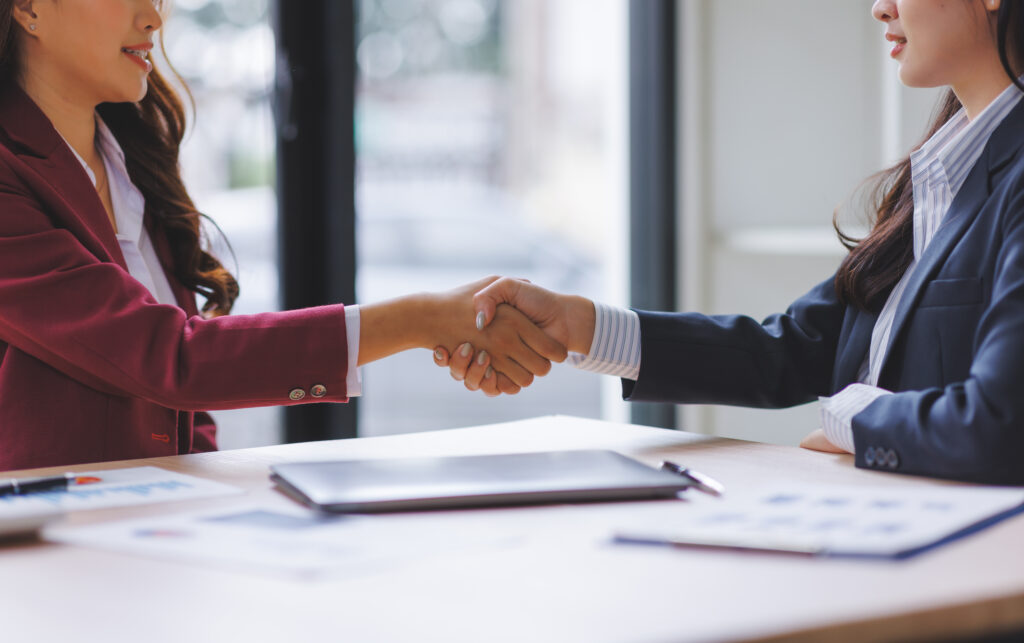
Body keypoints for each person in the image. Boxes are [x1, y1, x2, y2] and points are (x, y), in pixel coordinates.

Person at [439, 0, 1024, 485]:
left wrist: (857, 417)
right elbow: (791, 349)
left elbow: (1001, 423)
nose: (879, 7)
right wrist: (581, 326)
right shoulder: (946, 171)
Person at [0, 0, 566, 471]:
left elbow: (187, 413)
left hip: (151, 547)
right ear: (27, 8)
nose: (153, 16)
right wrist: (419, 319)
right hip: (47, 568)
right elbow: (167, 357)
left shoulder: (131, 166)